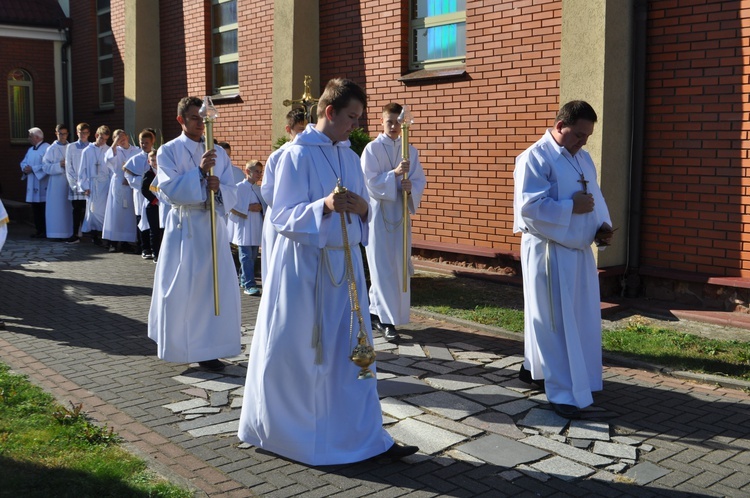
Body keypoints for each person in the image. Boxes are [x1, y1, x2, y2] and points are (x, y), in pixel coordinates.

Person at [238, 78, 417, 466]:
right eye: (351, 117)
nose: (356, 125)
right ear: (329, 112)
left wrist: (363, 209)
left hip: (346, 269)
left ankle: (364, 435)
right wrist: (324, 205)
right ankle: (295, 435)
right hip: (306, 272)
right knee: (307, 354)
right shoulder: (292, 156)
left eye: (360, 118)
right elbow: (281, 217)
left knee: (352, 357)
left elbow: (366, 209)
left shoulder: (349, 157)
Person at [513, 100, 614, 420]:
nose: (583, 142)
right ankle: (562, 391)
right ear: (559, 126)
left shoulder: (582, 158)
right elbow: (529, 208)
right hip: (549, 250)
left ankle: (536, 370)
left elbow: (593, 196)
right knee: (554, 322)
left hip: (579, 251)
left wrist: (601, 226)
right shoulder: (534, 157)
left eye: (587, 137)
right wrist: (572, 208)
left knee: (580, 318)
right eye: (578, 135)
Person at [147, 96, 241, 372]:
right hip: (185, 228)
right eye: (194, 118)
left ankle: (210, 348)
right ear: (181, 120)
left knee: (215, 289)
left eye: (203, 118)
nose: (201, 124)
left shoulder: (219, 152)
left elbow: (231, 190)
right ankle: (181, 344)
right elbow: (170, 189)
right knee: (186, 288)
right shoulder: (168, 151)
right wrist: (199, 173)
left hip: (212, 226)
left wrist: (219, 188)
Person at [362, 103, 427, 342]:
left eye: (397, 122)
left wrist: (412, 187)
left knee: (398, 266)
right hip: (378, 216)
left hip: (400, 215)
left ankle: (377, 312)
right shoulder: (371, 149)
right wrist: (395, 174)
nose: (393, 126)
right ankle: (385, 320)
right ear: (381, 122)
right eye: (389, 122)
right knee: (381, 266)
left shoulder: (409, 149)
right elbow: (369, 182)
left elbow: (420, 180)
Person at [260, 108, 307, 285]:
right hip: (281, 217)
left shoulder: (313, 153)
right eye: (300, 130)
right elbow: (268, 190)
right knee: (277, 268)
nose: (304, 133)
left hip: (305, 218)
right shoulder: (277, 156)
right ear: (289, 130)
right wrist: (290, 210)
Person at [227, 160, 264, 296]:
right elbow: (231, 205)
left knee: (253, 256)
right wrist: (249, 208)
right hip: (243, 226)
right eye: (256, 171)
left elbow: (264, 206)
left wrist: (261, 208)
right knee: (246, 256)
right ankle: (249, 284)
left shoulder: (258, 189)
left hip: (255, 226)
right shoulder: (238, 188)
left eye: (261, 172)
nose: (259, 174)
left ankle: (244, 279)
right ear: (248, 172)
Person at [103, 129, 140, 252]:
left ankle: (126, 242)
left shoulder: (136, 150)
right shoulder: (115, 150)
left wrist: (130, 179)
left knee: (129, 214)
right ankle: (113, 241)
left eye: (123, 137)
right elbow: (108, 160)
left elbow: (140, 167)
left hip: (130, 185)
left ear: (128, 137)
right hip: (118, 183)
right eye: (118, 138)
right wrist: (115, 143)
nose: (121, 140)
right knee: (116, 213)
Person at [124, 129, 157, 259]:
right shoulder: (135, 159)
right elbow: (128, 176)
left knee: (154, 221)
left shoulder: (157, 155)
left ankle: (155, 248)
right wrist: (142, 183)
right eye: (142, 143)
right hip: (140, 194)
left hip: (154, 195)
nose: (144, 145)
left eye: (146, 142)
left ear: (152, 142)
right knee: (141, 220)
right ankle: (144, 247)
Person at [80, 125, 112, 246]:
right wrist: (85, 186)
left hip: (105, 184)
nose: (103, 141)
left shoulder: (108, 150)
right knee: (93, 211)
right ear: (96, 136)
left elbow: (111, 170)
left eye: (105, 139)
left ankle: (106, 236)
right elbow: (82, 170)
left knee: (105, 211)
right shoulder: (87, 151)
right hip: (93, 184)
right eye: (101, 138)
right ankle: (95, 235)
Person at [41, 124, 73, 240]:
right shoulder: (51, 149)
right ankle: (55, 233)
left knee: (68, 208)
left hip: (69, 182)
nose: (63, 136)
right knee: (56, 209)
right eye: (60, 134)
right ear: (56, 134)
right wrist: (59, 164)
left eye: (65, 134)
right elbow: (45, 167)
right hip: (56, 183)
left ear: (67, 134)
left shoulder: (71, 147)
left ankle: (70, 233)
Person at [20, 127, 50, 238]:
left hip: (42, 183)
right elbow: (23, 162)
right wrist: (25, 168)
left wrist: (33, 169)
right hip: (32, 183)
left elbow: (47, 165)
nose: (29, 139)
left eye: (30, 136)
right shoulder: (30, 149)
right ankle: (39, 229)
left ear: (37, 137)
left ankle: (46, 230)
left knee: (43, 207)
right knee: (35, 207)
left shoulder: (47, 148)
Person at [64, 123, 91, 244]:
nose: (83, 135)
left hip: (88, 185)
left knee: (88, 209)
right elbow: (68, 167)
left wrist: (87, 184)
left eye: (85, 132)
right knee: (76, 209)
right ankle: (75, 234)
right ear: (77, 132)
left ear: (89, 133)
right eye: (80, 132)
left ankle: (89, 234)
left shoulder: (91, 147)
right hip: (75, 183)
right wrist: (74, 183)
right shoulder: (71, 147)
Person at [141, 150, 163, 262]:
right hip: (153, 206)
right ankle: (156, 253)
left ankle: (163, 253)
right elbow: (144, 190)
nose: (155, 162)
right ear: (149, 161)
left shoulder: (164, 172)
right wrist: (155, 200)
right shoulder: (148, 174)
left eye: (157, 160)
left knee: (162, 230)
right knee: (154, 230)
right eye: (152, 160)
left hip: (164, 205)